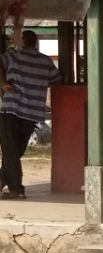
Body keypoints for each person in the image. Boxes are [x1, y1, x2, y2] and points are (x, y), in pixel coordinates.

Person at [0, 30, 61, 199]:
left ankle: (16, 189)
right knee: (16, 150)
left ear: (21, 41)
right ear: (35, 42)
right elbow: (57, 80)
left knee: (10, 150)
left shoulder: (13, 55)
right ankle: (2, 181)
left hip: (12, 108)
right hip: (33, 112)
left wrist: (4, 83)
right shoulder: (46, 61)